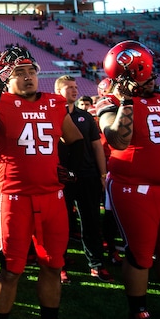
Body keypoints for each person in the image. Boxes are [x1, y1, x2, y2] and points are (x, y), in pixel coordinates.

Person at [0, 46, 84, 319]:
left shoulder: (55, 103)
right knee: (10, 271)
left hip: (53, 198)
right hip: (16, 199)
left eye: (31, 71)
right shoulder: (2, 102)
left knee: (52, 266)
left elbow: (76, 140)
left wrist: (70, 169)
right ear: (7, 79)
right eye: (19, 73)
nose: (28, 77)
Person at [98, 41, 160, 319]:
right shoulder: (110, 103)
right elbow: (117, 140)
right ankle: (138, 312)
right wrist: (126, 102)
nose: (154, 80)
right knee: (139, 255)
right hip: (135, 189)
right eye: (147, 76)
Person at [53, 75, 112, 283]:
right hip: (60, 178)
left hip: (87, 175)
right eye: (69, 87)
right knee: (61, 225)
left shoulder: (86, 117)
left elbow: (96, 146)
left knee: (91, 222)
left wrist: (102, 174)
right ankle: (59, 264)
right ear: (58, 91)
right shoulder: (51, 115)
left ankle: (96, 264)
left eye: (76, 87)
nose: (74, 90)